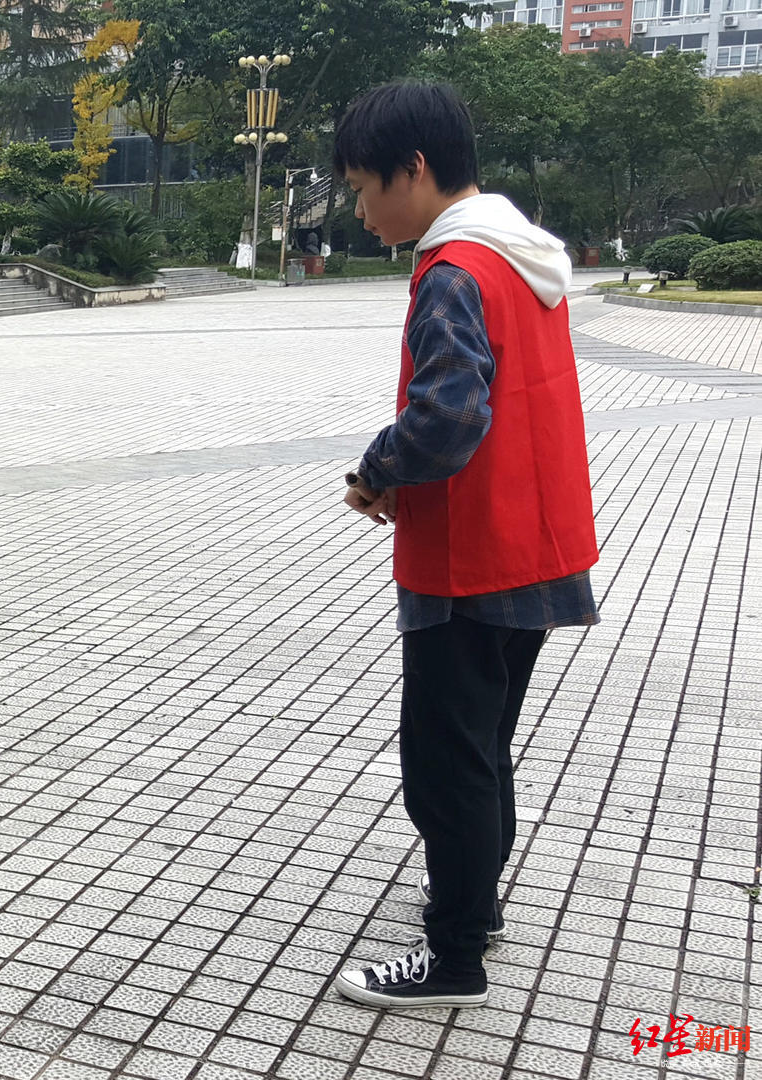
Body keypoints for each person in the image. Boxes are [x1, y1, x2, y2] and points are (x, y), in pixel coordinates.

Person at [330, 81, 599, 1009]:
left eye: (367, 189)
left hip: (471, 559)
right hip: (535, 545)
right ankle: (473, 908)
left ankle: (452, 961)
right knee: (482, 744)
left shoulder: (454, 268)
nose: (362, 212)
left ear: (416, 169)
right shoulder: (520, 255)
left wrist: (378, 469)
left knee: (445, 762)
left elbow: (447, 414)